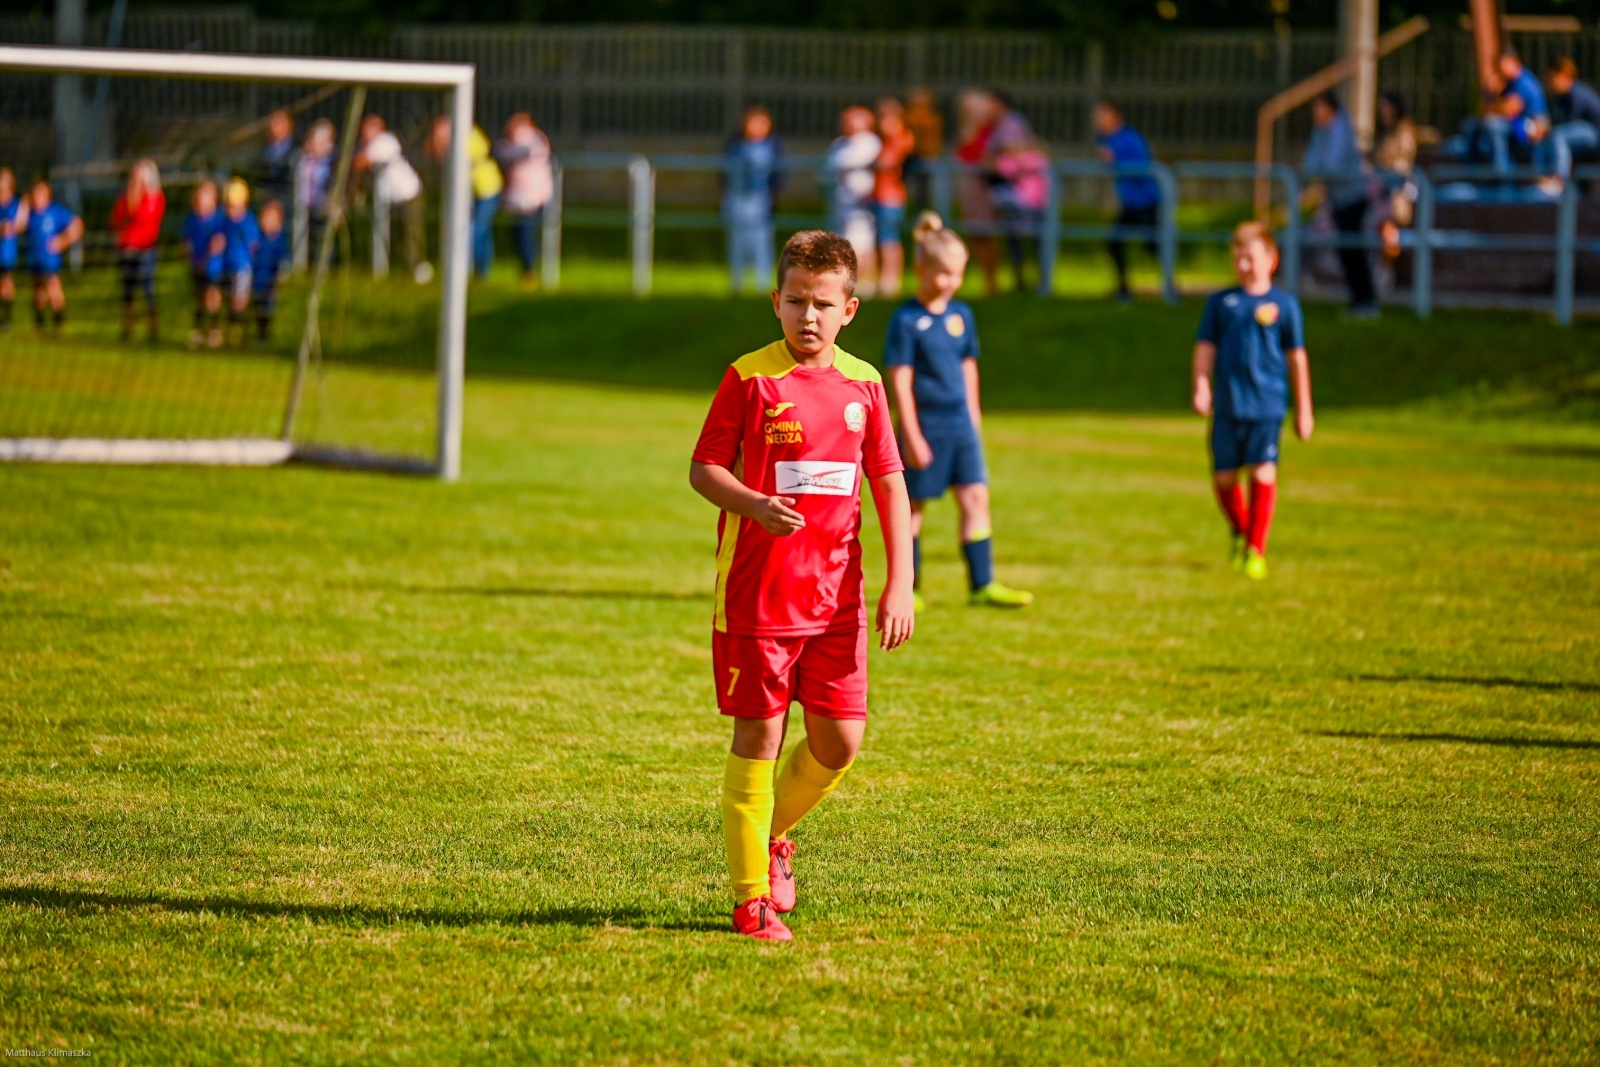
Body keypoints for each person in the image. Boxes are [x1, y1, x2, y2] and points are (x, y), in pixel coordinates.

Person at [688, 229, 914, 942]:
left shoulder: (865, 384)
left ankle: (771, 835)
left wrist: (901, 581)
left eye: (821, 303)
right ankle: (750, 899)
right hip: (758, 597)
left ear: (849, 309)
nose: (807, 316)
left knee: (840, 741)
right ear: (775, 302)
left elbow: (889, 481)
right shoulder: (749, 378)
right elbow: (704, 468)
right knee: (759, 735)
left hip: (838, 600)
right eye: (795, 302)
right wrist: (753, 503)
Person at [885, 212, 1033, 611]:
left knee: (975, 498)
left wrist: (974, 417)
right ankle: (909, 588)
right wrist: (911, 434)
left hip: (959, 425)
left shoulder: (961, 315)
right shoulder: (906, 320)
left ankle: (982, 585)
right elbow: (900, 380)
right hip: (925, 426)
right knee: (914, 508)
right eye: (945, 273)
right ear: (922, 269)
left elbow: (969, 368)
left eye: (958, 274)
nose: (952, 282)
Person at [1191, 222, 1314, 581]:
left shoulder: (1284, 305)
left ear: (1272, 259)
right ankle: (1241, 530)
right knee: (1224, 478)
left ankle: (1256, 550)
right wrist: (1202, 385)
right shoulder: (1222, 303)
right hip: (1229, 404)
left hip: (1267, 405)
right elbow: (1205, 348)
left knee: (1262, 471)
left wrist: (1304, 409)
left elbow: (1297, 358)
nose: (1243, 265)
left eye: (1250, 257)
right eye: (1237, 258)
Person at [1304, 92, 1377, 317]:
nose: (1315, 112)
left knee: (1353, 249)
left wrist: (1320, 169)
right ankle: (1358, 301)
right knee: (1346, 250)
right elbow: (1310, 164)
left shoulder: (1341, 130)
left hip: (1353, 197)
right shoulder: (1321, 130)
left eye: (1319, 107)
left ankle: (1366, 301)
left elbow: (1332, 165)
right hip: (1338, 198)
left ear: (1330, 108)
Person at [1093, 100, 1161, 302]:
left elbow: (1143, 166)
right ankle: (1123, 288)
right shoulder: (1104, 139)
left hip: (1145, 201)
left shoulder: (1131, 138)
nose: (1097, 120)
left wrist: (1114, 161)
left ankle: (1169, 287)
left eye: (1102, 115)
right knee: (1115, 241)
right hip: (1130, 203)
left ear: (1115, 116)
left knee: (1154, 245)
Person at [986, 94, 1050, 294]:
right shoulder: (1012, 158)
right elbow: (994, 165)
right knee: (1015, 238)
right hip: (1019, 203)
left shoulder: (1014, 127)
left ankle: (1041, 280)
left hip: (1035, 204)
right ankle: (1021, 279)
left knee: (1037, 240)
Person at [354, 114, 429, 284]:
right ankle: (391, 266)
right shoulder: (368, 145)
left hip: (409, 193)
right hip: (391, 198)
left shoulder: (386, 141)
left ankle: (417, 269)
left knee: (413, 234)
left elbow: (362, 162)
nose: (365, 131)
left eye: (370, 127)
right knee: (395, 234)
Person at [428, 114, 504, 280]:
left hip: (486, 189)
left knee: (476, 230)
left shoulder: (467, 135)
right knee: (479, 231)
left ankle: (473, 272)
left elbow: (461, 158)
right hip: (470, 191)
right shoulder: (461, 135)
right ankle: (478, 272)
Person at [721, 106, 782, 296]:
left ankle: (763, 285)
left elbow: (779, 176)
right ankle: (736, 284)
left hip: (761, 199)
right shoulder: (735, 146)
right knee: (737, 240)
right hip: (737, 198)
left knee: (761, 241)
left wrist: (774, 196)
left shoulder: (773, 147)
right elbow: (724, 173)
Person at [1463, 50, 1550, 177]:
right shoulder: (1508, 82)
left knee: (1494, 126)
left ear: (1514, 62)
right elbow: (1487, 112)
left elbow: (1508, 110)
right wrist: (1489, 91)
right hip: (1516, 125)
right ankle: (1472, 172)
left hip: (1532, 125)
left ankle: (1502, 176)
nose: (1500, 70)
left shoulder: (1524, 82)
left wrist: (1494, 97)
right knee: (1471, 126)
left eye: (1502, 65)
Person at [494, 112, 555, 290]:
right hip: (524, 197)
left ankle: (529, 271)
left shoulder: (528, 139)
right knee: (519, 233)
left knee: (525, 235)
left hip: (530, 197)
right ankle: (526, 270)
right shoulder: (534, 139)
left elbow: (508, 153)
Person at [826, 106, 881, 298]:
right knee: (841, 244)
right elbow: (830, 165)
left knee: (862, 243)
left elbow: (853, 162)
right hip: (841, 201)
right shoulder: (840, 144)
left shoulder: (870, 142)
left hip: (861, 204)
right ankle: (846, 283)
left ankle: (867, 283)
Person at [110, 159, 166, 343]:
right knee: (128, 292)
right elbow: (116, 221)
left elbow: (145, 218)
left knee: (148, 289)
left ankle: (153, 329)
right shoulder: (124, 198)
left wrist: (134, 202)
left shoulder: (155, 198)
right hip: (127, 250)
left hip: (146, 250)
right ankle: (128, 330)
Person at [954, 90, 1001, 296]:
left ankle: (991, 283)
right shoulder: (970, 130)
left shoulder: (987, 131)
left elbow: (980, 155)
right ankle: (986, 281)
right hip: (970, 186)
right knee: (976, 234)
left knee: (983, 234)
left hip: (981, 186)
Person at [23, 180, 83, 338]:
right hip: (34, 259)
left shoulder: (55, 212)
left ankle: (60, 324)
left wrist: (62, 241)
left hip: (50, 261)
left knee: (53, 290)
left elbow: (77, 225)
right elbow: (18, 224)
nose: (38, 197)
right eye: (35, 193)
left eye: (41, 193)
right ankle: (39, 325)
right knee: (38, 293)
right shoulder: (29, 213)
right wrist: (24, 202)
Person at [873, 98, 916, 297]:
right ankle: (883, 278)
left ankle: (890, 280)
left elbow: (885, 163)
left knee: (889, 238)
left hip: (891, 197)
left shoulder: (901, 139)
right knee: (883, 238)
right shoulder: (884, 140)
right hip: (880, 195)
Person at [1372, 93, 1418, 260]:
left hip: (1395, 190)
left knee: (1388, 229)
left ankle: (1388, 266)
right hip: (1379, 188)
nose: (1383, 111)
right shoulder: (1385, 132)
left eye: (1387, 106)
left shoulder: (1404, 130)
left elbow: (1403, 160)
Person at [182, 178, 227, 350]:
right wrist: (191, 258)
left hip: (213, 266)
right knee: (199, 297)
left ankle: (215, 331)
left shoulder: (218, 219)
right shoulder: (192, 219)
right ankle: (199, 331)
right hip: (196, 265)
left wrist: (206, 259)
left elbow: (218, 242)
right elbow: (187, 241)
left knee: (212, 296)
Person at [1543, 58, 1600, 188]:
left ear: (1564, 76)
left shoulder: (1577, 93)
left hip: (1595, 134)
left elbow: (1572, 122)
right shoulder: (1562, 96)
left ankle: (1559, 180)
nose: (1550, 82)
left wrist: (1549, 127)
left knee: (1559, 135)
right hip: (1586, 134)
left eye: (1552, 77)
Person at [220, 178, 261, 346]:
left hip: (243, 267)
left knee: (239, 299)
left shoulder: (248, 222)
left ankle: (238, 329)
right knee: (227, 298)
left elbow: (254, 245)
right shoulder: (225, 221)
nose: (231, 210)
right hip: (227, 265)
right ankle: (228, 328)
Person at [294, 119, 335, 270]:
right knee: (304, 237)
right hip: (305, 205)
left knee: (323, 237)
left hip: (323, 205)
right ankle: (302, 266)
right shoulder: (304, 159)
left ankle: (325, 267)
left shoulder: (332, 162)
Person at [252, 198, 290, 342]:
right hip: (257, 281)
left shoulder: (280, 241)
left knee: (267, 308)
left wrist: (279, 277)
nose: (267, 221)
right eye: (265, 217)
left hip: (270, 282)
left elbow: (283, 261)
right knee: (257, 309)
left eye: (271, 218)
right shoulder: (258, 238)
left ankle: (265, 336)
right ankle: (257, 336)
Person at [903, 87, 944, 214]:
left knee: (926, 191)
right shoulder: (908, 116)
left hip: (926, 157)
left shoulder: (930, 118)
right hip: (909, 157)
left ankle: (925, 213)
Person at [0, 168, 28, 333]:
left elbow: (20, 224)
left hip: (6, 251)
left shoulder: (16, 202)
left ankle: (6, 318)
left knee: (6, 282)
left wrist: (10, 228)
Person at [257, 108, 296, 207]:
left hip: (286, 200)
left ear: (289, 125)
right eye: (272, 122)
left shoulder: (296, 150)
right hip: (267, 198)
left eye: (278, 123)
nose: (273, 126)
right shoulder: (264, 150)